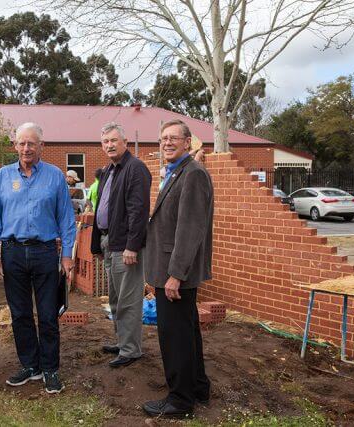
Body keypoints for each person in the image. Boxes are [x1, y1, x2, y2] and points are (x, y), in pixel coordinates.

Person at [0, 122, 76, 394]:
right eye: (21, 143)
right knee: (20, 313)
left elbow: (66, 219)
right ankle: (30, 365)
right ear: (15, 146)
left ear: (41, 146)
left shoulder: (55, 176)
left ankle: (50, 369)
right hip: (12, 252)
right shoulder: (1, 177)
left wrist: (67, 256)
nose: (26, 148)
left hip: (45, 252)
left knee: (48, 314)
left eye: (31, 143)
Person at [142, 119, 214, 418]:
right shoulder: (178, 172)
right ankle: (197, 386)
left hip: (175, 272)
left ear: (188, 142)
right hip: (170, 268)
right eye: (163, 139)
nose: (167, 143)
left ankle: (180, 400)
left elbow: (190, 229)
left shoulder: (193, 174)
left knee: (174, 336)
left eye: (174, 138)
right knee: (187, 332)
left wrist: (175, 275)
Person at [90, 122, 151, 368]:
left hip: (126, 246)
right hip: (109, 242)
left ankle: (130, 350)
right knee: (115, 300)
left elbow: (139, 211)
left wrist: (132, 246)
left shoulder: (135, 169)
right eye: (105, 142)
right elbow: (100, 209)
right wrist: (97, 244)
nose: (109, 145)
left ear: (125, 142)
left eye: (114, 140)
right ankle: (122, 341)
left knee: (128, 300)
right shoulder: (108, 170)